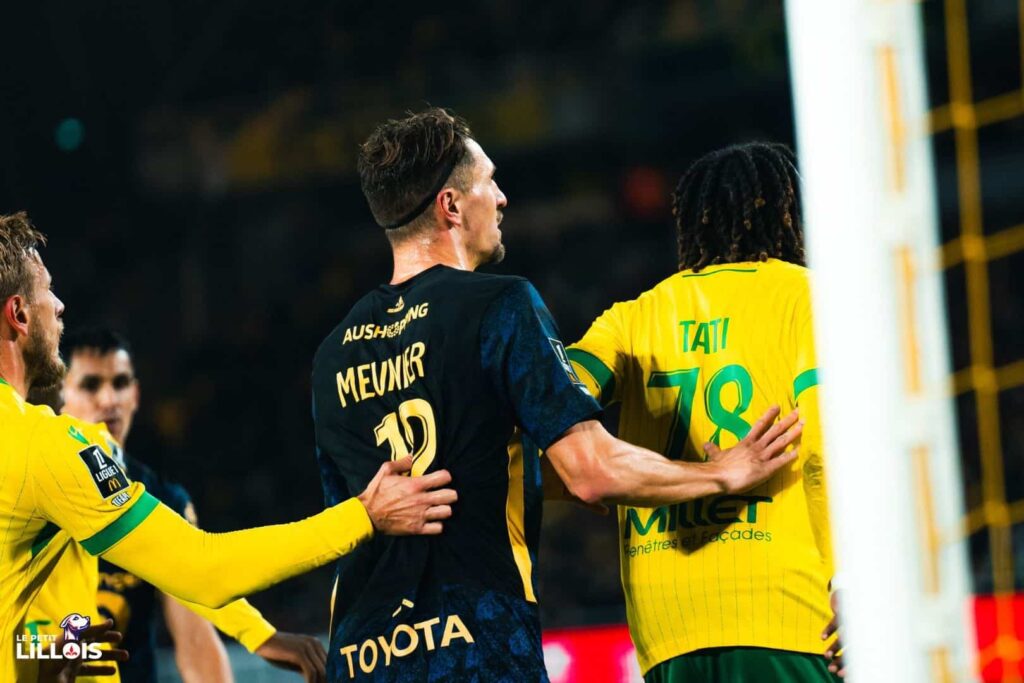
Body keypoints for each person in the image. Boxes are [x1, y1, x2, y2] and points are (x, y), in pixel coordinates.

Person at [311, 109, 803, 682]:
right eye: (489, 181)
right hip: (474, 644)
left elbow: (360, 516)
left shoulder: (332, 354)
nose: (501, 198)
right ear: (451, 206)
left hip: (362, 654)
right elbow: (592, 471)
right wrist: (722, 473)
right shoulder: (498, 307)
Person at [0, 211, 458, 682]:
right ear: (19, 313)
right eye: (47, 290)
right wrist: (363, 515)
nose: (59, 305)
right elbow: (201, 568)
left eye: (119, 383)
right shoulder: (46, 447)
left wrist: (35, 651)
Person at [567, 142, 841, 682]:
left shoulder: (630, 318)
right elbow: (821, 452)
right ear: (788, 215)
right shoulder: (805, 298)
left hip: (667, 625)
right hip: (788, 614)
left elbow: (546, 401)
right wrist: (848, 579)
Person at [26, 327, 330, 683]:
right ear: (60, 395)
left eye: (120, 383)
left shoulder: (163, 497)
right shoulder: (31, 482)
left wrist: (261, 636)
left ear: (136, 394)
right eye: (91, 385)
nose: (109, 400)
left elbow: (195, 631)